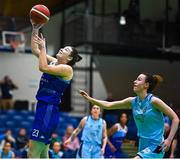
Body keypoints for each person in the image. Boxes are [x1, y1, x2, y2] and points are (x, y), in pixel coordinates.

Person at [79, 73, 179, 159]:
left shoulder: (154, 101)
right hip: (142, 143)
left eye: (139, 79)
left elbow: (175, 118)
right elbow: (109, 105)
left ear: (146, 85)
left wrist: (169, 139)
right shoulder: (132, 101)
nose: (135, 81)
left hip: (156, 144)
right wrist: (90, 99)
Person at [28, 21, 82, 158]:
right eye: (63, 47)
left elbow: (43, 67)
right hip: (43, 108)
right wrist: (35, 29)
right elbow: (35, 51)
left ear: (69, 58)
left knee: (32, 153)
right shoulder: (54, 62)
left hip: (48, 110)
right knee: (43, 154)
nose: (62, 49)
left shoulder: (67, 69)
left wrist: (44, 47)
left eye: (65, 50)